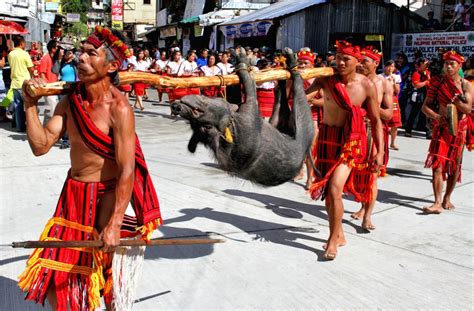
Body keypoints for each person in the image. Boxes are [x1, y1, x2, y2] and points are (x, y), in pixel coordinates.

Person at [18, 26, 163, 309]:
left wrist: (115, 223)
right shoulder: (69, 102)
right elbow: (41, 146)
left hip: (105, 201)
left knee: (105, 274)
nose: (80, 58)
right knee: (56, 276)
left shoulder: (119, 109)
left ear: (110, 66)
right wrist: (29, 106)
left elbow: (126, 171)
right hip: (71, 198)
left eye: (90, 53)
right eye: (80, 52)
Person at [305, 40, 384, 260]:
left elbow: (377, 121)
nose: (340, 62)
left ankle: (332, 241)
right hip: (328, 138)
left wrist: (380, 152)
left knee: (334, 187)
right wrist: (295, 79)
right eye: (337, 57)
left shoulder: (366, 85)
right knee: (330, 196)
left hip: (352, 141)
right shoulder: (326, 80)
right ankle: (339, 234)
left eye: (345, 58)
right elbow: (301, 99)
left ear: (357, 62)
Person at [421, 51, 472, 214]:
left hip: (459, 129)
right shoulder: (437, 82)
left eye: (452, 64)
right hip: (441, 128)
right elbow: (425, 107)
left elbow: (468, 109)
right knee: (437, 165)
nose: (448, 67)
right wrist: (436, 116)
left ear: (459, 66)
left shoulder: (466, 85)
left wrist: (457, 101)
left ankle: (447, 198)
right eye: (446, 64)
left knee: (454, 166)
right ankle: (436, 202)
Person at [350, 46, 393, 231]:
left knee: (372, 176)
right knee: (357, 175)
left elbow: (389, 114)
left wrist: (372, 108)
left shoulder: (383, 84)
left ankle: (367, 216)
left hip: (372, 133)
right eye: (359, 61)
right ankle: (362, 206)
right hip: (354, 132)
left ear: (376, 63)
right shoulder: (353, 80)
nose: (360, 64)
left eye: (365, 61)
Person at [8, 35, 34, 132]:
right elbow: (31, 68)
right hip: (25, 83)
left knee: (18, 106)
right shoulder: (24, 54)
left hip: (15, 83)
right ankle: (31, 126)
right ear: (22, 43)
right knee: (29, 106)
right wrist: (32, 76)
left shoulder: (10, 54)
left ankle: (20, 127)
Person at [405, 57, 431, 138]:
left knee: (427, 115)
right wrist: (426, 82)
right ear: (420, 64)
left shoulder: (427, 72)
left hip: (426, 95)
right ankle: (408, 130)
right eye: (425, 63)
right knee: (414, 113)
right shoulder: (416, 73)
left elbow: (431, 84)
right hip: (417, 96)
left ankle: (429, 132)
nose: (427, 65)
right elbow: (416, 85)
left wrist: (428, 78)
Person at [380, 60, 402, 149]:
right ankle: (382, 141)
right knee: (383, 122)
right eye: (388, 66)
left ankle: (392, 142)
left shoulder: (396, 77)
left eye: (392, 66)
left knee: (395, 124)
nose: (390, 68)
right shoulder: (380, 77)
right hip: (383, 100)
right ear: (385, 67)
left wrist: (393, 82)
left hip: (393, 100)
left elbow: (397, 91)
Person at [40, 40, 60, 125]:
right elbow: (42, 73)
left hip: (55, 87)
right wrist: (46, 86)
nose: (58, 49)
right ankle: (45, 129)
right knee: (50, 111)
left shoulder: (54, 59)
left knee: (53, 110)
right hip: (49, 88)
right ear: (52, 48)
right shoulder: (46, 58)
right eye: (57, 47)